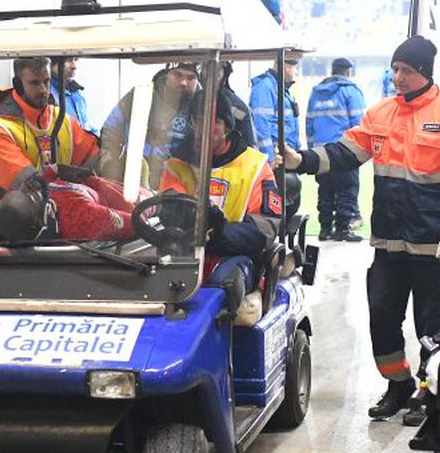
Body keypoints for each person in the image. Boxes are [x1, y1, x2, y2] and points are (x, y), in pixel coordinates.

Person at [281, 36, 440, 424]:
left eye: (405, 70)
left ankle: (431, 393)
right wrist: (301, 160)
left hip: (433, 248)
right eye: (394, 69)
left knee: (432, 326)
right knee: (381, 316)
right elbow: (345, 152)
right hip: (389, 246)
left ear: (424, 71)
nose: (397, 77)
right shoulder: (381, 114)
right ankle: (399, 386)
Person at [160, 90, 281, 287]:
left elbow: (264, 230)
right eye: (198, 121)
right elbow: (170, 209)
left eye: (213, 122)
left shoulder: (254, 166)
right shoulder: (177, 164)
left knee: (222, 285)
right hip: (184, 255)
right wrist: (191, 217)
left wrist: (217, 233)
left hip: (236, 254)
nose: (204, 130)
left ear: (227, 127)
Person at [0, 57, 99, 192]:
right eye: (35, 83)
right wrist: (58, 171)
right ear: (18, 85)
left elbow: (95, 157)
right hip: (9, 208)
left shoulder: (63, 120)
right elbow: (27, 185)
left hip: (57, 205)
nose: (43, 90)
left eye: (46, 82)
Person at [98, 63, 201, 189]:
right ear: (167, 74)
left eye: (191, 78)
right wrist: (111, 166)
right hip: (133, 178)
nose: (184, 83)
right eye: (178, 75)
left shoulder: (202, 106)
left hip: (176, 184)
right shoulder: (141, 95)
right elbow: (110, 131)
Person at [0, 165, 145, 244]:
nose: (30, 188)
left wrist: (56, 169)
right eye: (33, 196)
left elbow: (33, 180)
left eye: (24, 191)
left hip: (82, 177)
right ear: (40, 222)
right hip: (121, 195)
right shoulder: (82, 218)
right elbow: (139, 224)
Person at [307, 57, 366, 242]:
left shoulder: (316, 93)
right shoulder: (350, 92)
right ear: (348, 72)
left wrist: (313, 149)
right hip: (343, 152)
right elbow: (359, 124)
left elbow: (309, 124)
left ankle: (324, 230)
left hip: (320, 151)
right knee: (347, 190)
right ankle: (342, 229)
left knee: (325, 191)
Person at [249, 55, 301, 163]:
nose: (296, 72)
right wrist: (269, 158)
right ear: (286, 67)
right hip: (276, 160)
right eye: (295, 68)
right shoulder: (265, 87)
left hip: (285, 157)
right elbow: (261, 124)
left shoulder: (278, 87)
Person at [49, 57, 93, 135]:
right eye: (69, 60)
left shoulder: (76, 92)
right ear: (51, 64)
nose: (74, 66)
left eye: (75, 60)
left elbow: (86, 126)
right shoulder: (46, 93)